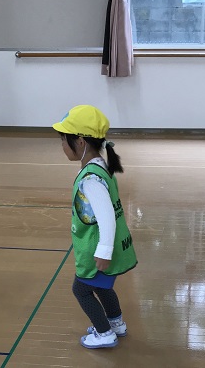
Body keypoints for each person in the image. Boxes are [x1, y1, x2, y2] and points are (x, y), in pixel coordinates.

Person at [52, 105, 138, 349]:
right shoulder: (101, 167)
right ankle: (116, 324)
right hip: (108, 248)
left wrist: (103, 250)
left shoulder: (91, 179)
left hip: (97, 250)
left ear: (80, 142)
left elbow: (107, 217)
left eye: (63, 140)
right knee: (102, 286)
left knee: (81, 290)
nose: (62, 145)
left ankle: (104, 333)